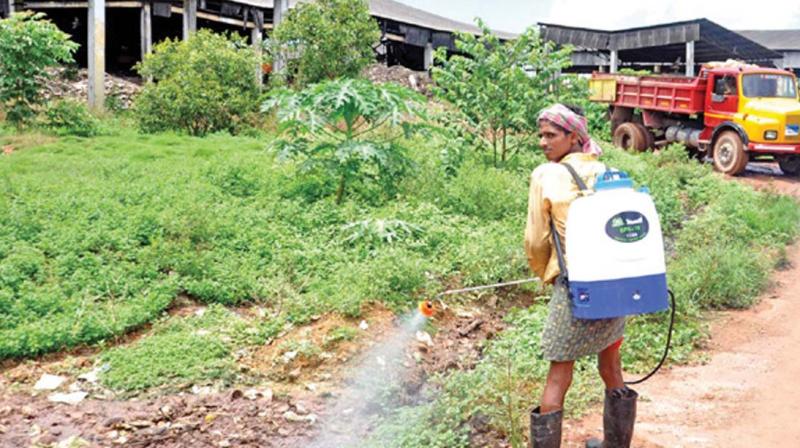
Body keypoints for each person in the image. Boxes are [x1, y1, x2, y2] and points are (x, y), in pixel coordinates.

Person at [524, 103, 637, 448]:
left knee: (559, 373)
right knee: (611, 365)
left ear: (574, 136)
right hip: (615, 285)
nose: (543, 142)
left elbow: (535, 239)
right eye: (541, 135)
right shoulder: (606, 168)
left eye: (551, 134)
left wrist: (548, 273)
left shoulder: (546, 175)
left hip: (576, 288)